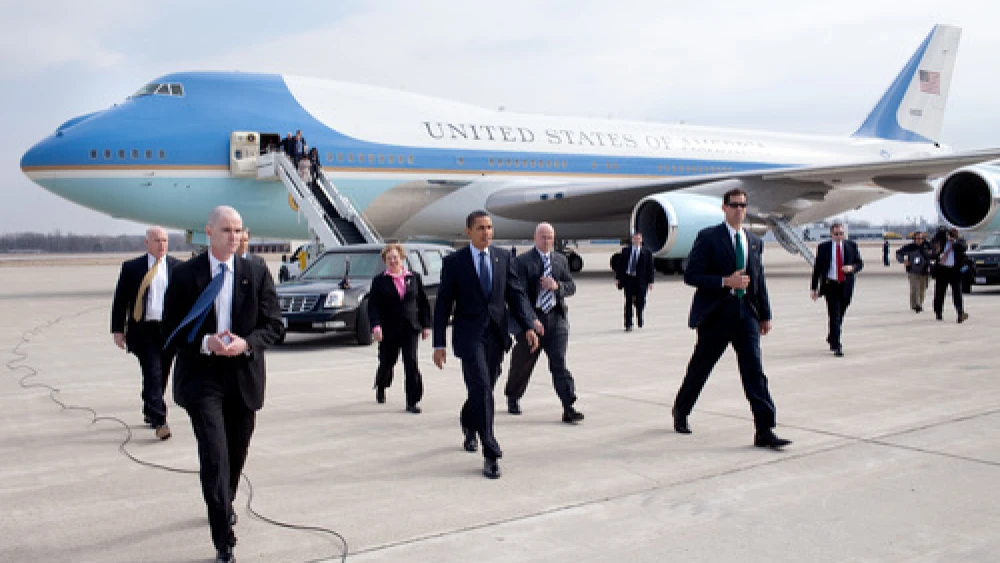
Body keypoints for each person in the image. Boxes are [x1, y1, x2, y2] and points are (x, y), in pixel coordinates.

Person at [162, 206, 283, 563]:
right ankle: (223, 540)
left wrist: (246, 343)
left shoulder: (256, 271)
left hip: (243, 374)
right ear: (209, 232)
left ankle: (224, 498)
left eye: (238, 230)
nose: (234, 236)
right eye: (226, 230)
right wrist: (206, 343)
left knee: (236, 451)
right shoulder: (186, 275)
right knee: (214, 455)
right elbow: (171, 330)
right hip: (202, 377)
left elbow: (274, 325)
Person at [671, 188, 791, 449]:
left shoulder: (754, 241)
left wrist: (765, 314)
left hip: (746, 314)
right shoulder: (708, 237)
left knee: (754, 373)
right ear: (724, 208)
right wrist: (726, 281)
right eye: (734, 205)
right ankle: (681, 410)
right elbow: (691, 275)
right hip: (716, 315)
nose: (739, 210)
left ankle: (765, 429)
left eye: (743, 206)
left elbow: (758, 280)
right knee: (700, 368)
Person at [432, 210, 539, 479]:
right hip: (469, 336)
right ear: (468, 231)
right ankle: (490, 452)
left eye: (490, 227)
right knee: (481, 386)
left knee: (485, 389)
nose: (487, 232)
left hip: (496, 335)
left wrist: (528, 325)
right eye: (481, 228)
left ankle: (469, 422)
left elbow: (515, 295)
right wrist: (438, 343)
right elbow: (443, 303)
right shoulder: (455, 262)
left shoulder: (503, 258)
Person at [504, 223, 584, 423]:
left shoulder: (560, 260)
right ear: (535, 238)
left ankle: (568, 406)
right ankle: (513, 396)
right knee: (523, 363)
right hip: (530, 319)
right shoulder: (522, 262)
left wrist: (557, 286)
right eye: (543, 237)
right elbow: (518, 295)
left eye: (550, 237)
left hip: (556, 319)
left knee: (559, 363)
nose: (547, 241)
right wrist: (531, 320)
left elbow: (571, 286)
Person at [110, 226, 181, 440]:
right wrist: (117, 330)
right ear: (146, 243)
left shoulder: (177, 268)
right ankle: (160, 421)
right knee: (153, 372)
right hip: (144, 329)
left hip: (168, 330)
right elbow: (120, 301)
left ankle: (150, 409)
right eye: (157, 240)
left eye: (165, 240)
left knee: (161, 375)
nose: (162, 245)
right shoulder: (132, 268)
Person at [368, 243, 431, 413]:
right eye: (389, 259)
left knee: (411, 362)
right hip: (389, 330)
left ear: (401, 258)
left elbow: (423, 304)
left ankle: (412, 401)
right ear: (385, 261)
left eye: (395, 257)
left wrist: (426, 326)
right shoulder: (379, 281)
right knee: (387, 362)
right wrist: (376, 327)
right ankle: (381, 386)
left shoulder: (414, 278)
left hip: (410, 328)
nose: (393, 261)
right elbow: (373, 307)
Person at [810, 223, 864, 357]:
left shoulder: (851, 246)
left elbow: (860, 263)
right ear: (831, 234)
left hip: (846, 285)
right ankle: (836, 345)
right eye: (836, 234)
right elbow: (817, 269)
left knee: (840, 314)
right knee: (834, 315)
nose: (839, 236)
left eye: (841, 233)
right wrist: (813, 288)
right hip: (831, 285)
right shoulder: (824, 248)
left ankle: (832, 336)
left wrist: (852, 268)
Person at [614, 231, 654, 331]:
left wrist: (650, 281)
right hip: (629, 279)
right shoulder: (626, 251)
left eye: (638, 239)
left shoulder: (647, 252)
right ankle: (628, 324)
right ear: (632, 240)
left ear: (641, 240)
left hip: (641, 281)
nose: (636, 240)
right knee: (628, 302)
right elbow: (621, 266)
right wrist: (618, 279)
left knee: (640, 301)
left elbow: (650, 268)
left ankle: (639, 315)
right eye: (635, 239)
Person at [931, 227, 969, 323]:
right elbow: (933, 244)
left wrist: (953, 241)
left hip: (954, 271)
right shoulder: (941, 241)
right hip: (942, 271)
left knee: (957, 293)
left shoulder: (959, 241)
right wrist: (942, 236)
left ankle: (960, 312)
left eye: (955, 232)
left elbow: (963, 247)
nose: (953, 233)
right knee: (939, 293)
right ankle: (938, 312)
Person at [896, 231, 932, 312]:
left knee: (922, 289)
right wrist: (903, 261)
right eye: (917, 238)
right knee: (915, 288)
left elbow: (935, 254)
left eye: (921, 238)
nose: (919, 240)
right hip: (913, 271)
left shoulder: (928, 246)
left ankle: (920, 303)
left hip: (925, 272)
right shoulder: (910, 247)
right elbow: (898, 253)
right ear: (914, 239)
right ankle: (916, 305)